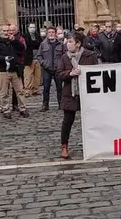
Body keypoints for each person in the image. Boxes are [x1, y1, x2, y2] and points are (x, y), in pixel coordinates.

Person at [56, 31, 98, 159]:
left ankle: (93, 145)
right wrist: (70, 73)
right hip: (70, 93)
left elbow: (96, 73)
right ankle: (64, 146)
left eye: (70, 42)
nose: (68, 44)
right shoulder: (65, 57)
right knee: (67, 121)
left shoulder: (89, 56)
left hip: (87, 93)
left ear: (78, 44)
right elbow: (59, 73)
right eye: (67, 41)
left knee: (91, 121)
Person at [0, 25, 29, 119]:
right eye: (4, 30)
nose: (6, 32)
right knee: (4, 92)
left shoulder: (13, 41)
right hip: (3, 70)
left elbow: (21, 50)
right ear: (0, 31)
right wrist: (4, 58)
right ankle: (6, 109)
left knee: (20, 91)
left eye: (8, 30)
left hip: (15, 69)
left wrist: (14, 41)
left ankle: (22, 108)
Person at [37, 26, 64, 111]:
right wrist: (43, 63)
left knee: (59, 88)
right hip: (47, 69)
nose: (51, 34)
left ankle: (61, 104)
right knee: (46, 88)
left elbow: (65, 55)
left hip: (57, 69)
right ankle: (45, 105)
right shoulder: (43, 44)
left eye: (53, 32)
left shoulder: (61, 44)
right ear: (47, 34)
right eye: (49, 32)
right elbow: (39, 56)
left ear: (55, 33)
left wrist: (61, 65)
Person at [23, 23, 42, 97]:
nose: (32, 29)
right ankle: (27, 90)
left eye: (34, 27)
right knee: (28, 75)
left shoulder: (38, 36)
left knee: (37, 75)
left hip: (37, 58)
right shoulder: (25, 36)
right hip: (29, 58)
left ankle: (35, 89)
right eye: (31, 27)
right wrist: (35, 43)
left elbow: (40, 44)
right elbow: (29, 44)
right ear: (28, 28)